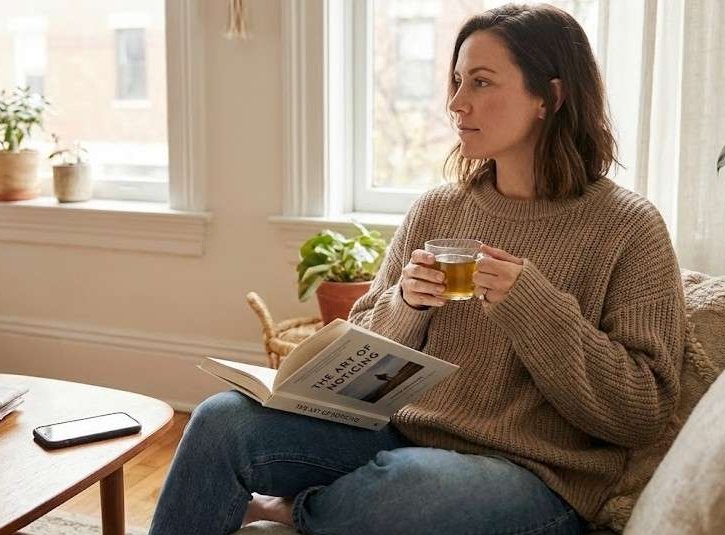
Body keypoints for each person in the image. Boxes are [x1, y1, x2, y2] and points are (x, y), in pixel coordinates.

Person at [149, 3, 685, 535]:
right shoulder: (437, 209)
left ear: (551, 96)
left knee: (410, 485)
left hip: (532, 477)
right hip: (401, 437)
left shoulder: (630, 228)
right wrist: (404, 306)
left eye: (480, 82)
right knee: (222, 420)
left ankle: (292, 511)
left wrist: (535, 309)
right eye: (456, 82)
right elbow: (356, 352)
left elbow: (642, 412)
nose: (456, 103)